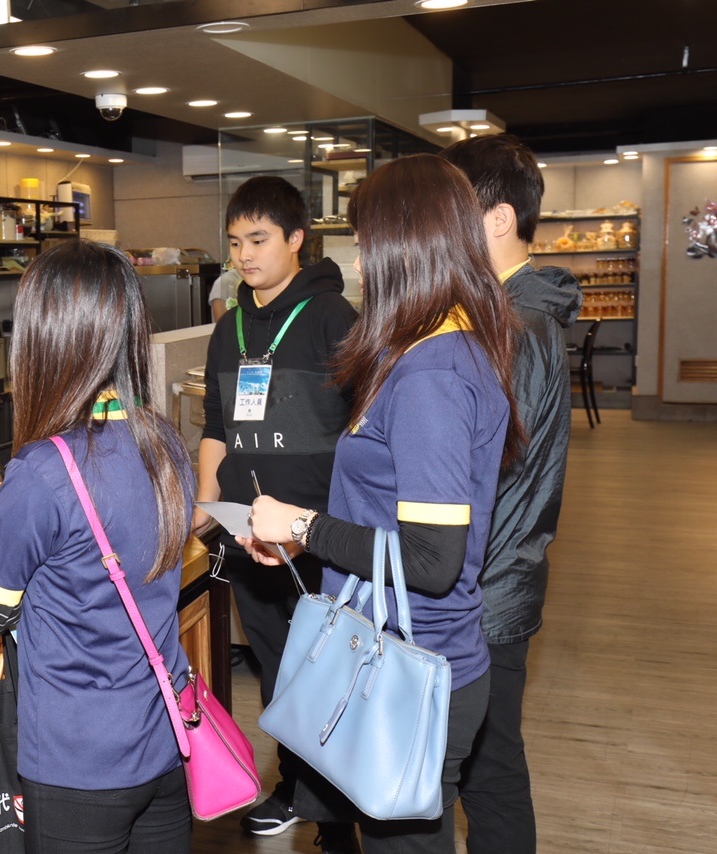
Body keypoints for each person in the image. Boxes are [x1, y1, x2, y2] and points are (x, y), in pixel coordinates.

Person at [241, 154, 526, 854]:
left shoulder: (432, 374)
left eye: (367, 242)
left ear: (406, 244)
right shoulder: (435, 350)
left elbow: (431, 560)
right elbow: (396, 516)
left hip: (412, 670)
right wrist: (310, 537)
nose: (362, 261)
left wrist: (302, 523)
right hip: (407, 657)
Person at [0, 239, 196, 853]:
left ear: (45, 340)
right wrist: (5, 498)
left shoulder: (42, 470)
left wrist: (8, 508)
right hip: (166, 740)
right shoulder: (164, 442)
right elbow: (105, 515)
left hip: (78, 765)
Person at [194, 175, 358, 849]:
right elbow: (217, 426)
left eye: (258, 240)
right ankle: (294, 787)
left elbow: (362, 430)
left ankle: (339, 816)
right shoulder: (228, 328)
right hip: (246, 537)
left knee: (331, 675)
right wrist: (205, 508)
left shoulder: (334, 318)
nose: (244, 255)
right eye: (235, 243)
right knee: (278, 674)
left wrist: (332, 526)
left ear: (296, 239)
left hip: (318, 538)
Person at [442, 134, 582, 854]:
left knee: (488, 774)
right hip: (492, 578)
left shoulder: (515, 326)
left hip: (486, 589)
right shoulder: (505, 312)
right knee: (486, 769)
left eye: (452, 209)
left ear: (497, 218)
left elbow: (482, 471)